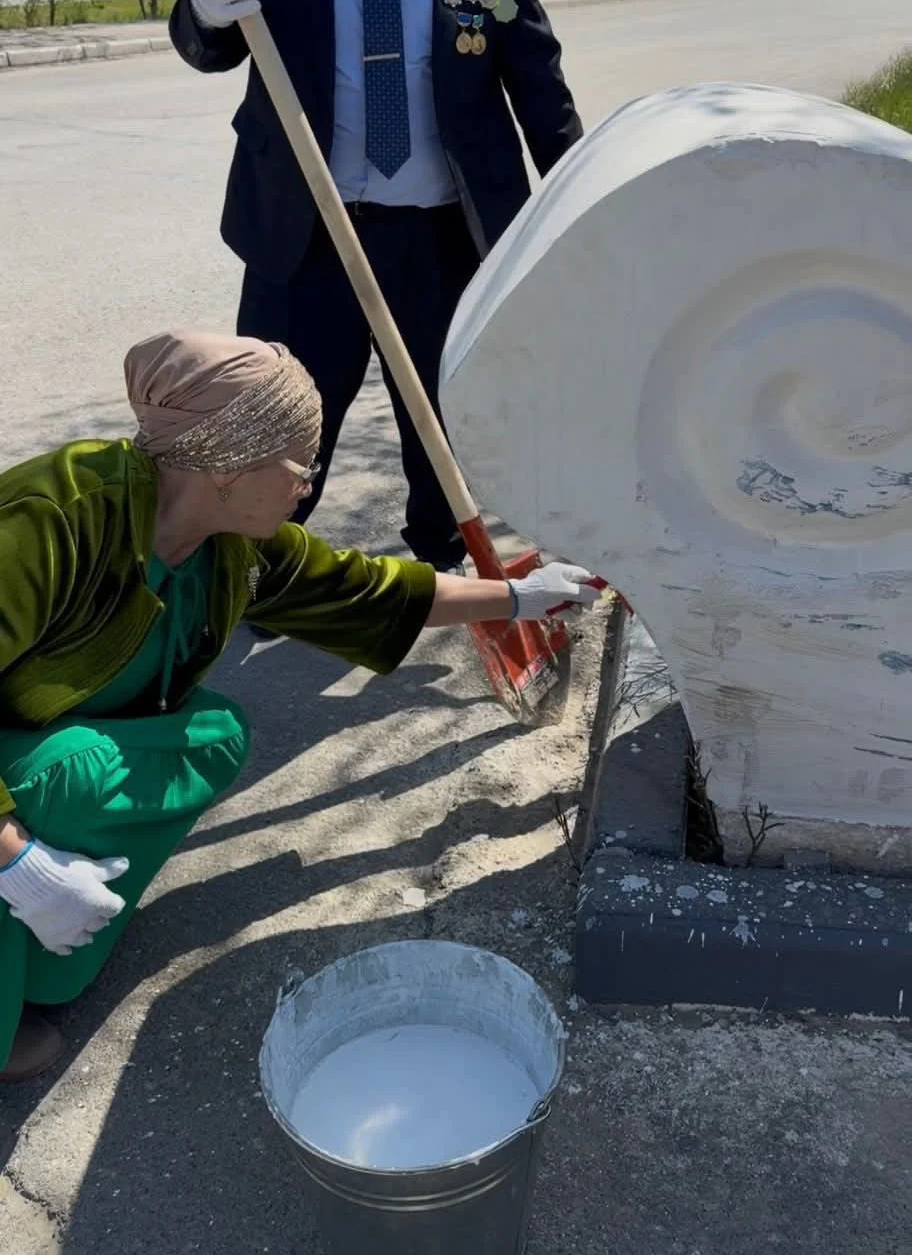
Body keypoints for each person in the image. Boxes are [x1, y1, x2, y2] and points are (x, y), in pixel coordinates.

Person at [0, 330, 599, 1082]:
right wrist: (18, 862)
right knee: (69, 774)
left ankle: (42, 955)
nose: (309, 485)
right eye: (301, 465)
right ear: (227, 462)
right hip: (18, 760)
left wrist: (516, 597)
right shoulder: (48, 523)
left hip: (49, 743)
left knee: (211, 738)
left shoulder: (229, 539)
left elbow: (362, 589)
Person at [168, 0, 583, 574]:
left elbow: (536, 79)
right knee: (273, 430)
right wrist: (201, 9)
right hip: (306, 228)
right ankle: (251, 578)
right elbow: (214, 47)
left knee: (445, 423)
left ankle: (440, 568)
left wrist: (584, 197)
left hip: (445, 234)